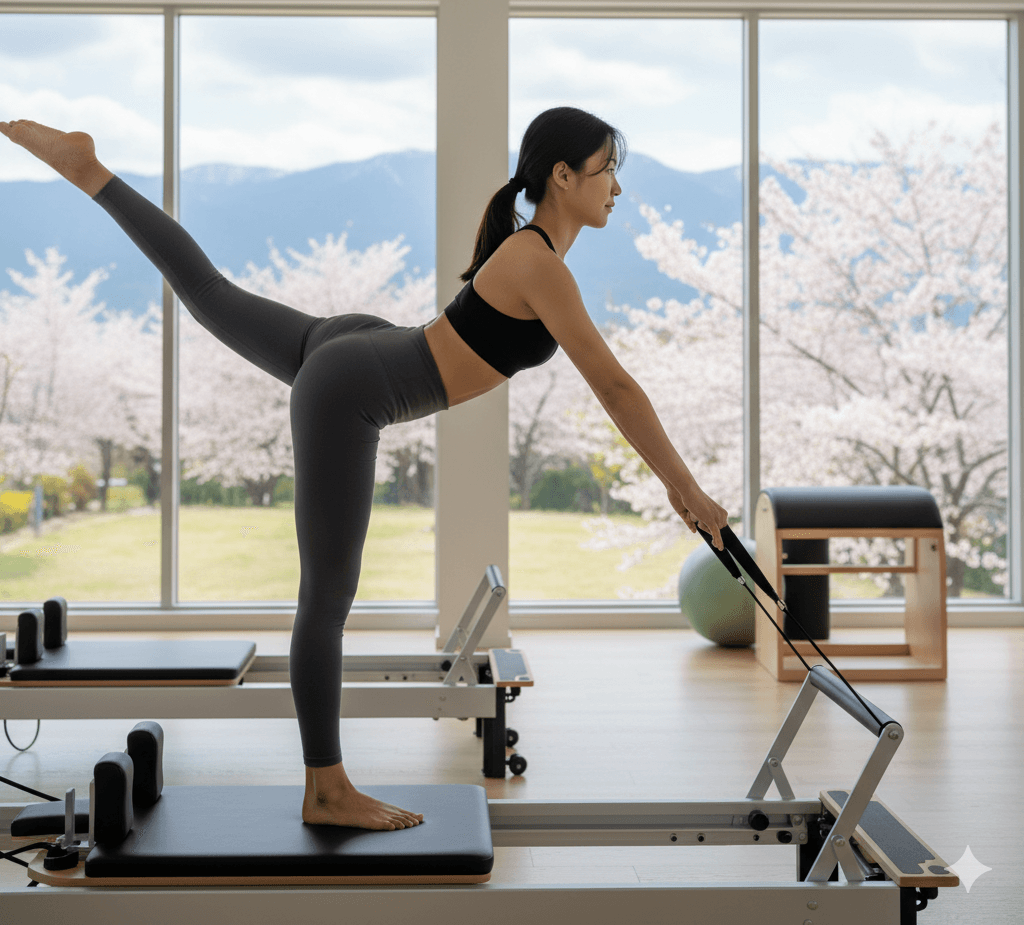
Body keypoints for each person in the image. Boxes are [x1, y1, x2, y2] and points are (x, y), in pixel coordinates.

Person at [0, 107, 728, 831]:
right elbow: (616, 386)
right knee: (326, 600)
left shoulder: (532, 254)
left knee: (212, 294)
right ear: (562, 177)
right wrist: (685, 487)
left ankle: (89, 172)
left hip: (364, 349)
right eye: (608, 172)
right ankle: (326, 788)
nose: (617, 190)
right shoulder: (538, 262)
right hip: (355, 386)